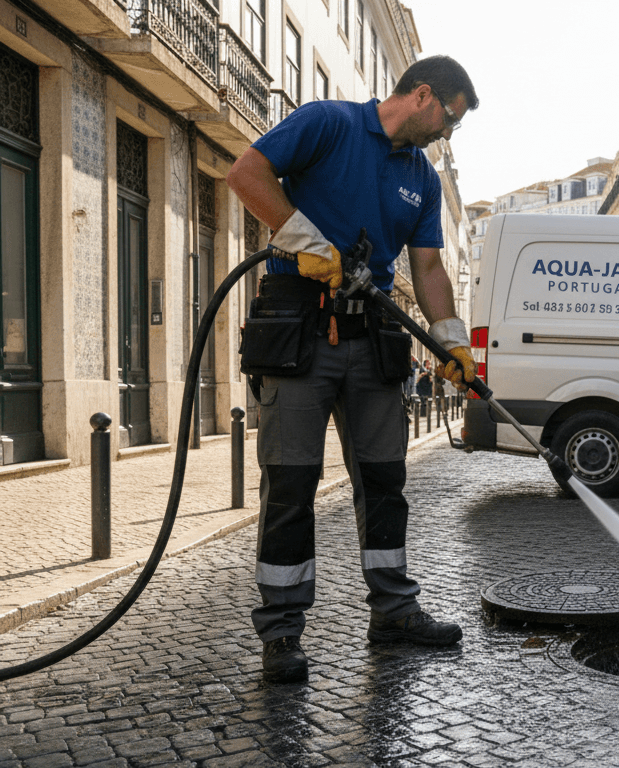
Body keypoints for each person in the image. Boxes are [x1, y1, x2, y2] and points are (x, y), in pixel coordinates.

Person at [226, 55, 479, 683]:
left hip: (372, 337)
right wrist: (308, 244)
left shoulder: (420, 179)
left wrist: (454, 344)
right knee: (290, 486)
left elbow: (428, 271)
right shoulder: (328, 124)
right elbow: (246, 172)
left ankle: (393, 610)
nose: (446, 137)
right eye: (449, 120)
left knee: (385, 482)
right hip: (300, 334)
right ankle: (282, 632)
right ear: (423, 95)